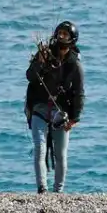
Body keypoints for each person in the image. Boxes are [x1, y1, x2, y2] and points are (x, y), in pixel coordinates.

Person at [24, 21, 84, 193]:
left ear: (72, 39)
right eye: (60, 33)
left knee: (60, 154)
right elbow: (30, 76)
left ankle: (58, 192)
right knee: (39, 148)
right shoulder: (44, 54)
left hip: (61, 111)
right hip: (39, 107)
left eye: (66, 34)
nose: (61, 36)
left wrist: (75, 118)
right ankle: (42, 189)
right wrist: (39, 63)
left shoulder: (75, 65)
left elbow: (79, 93)